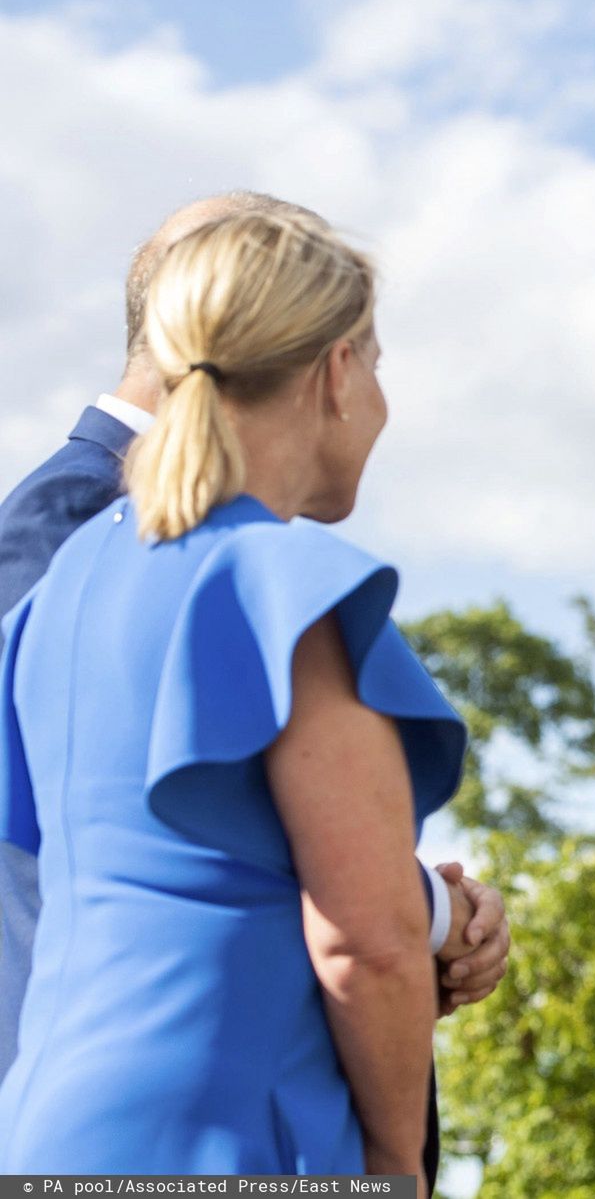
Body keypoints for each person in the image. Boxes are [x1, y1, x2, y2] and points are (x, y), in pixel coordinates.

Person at [0, 193, 510, 1187]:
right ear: (335, 371)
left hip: (49, 1138)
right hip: (223, 1135)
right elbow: (365, 944)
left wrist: (435, 920)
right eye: (377, 363)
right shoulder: (282, 589)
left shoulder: (69, 586)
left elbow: (169, 863)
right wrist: (397, 1164)